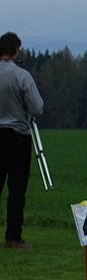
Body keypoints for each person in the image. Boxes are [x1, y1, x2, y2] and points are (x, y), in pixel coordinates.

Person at [0, 32, 44, 249]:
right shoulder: (22, 76)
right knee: (16, 190)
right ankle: (13, 237)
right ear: (16, 51)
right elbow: (37, 107)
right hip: (17, 137)